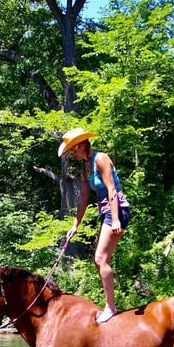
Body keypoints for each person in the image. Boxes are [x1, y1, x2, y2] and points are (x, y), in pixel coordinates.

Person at [60, 128, 131, 323]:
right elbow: (83, 198)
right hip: (106, 212)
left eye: (73, 150)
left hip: (117, 210)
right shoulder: (85, 167)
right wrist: (76, 224)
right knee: (98, 260)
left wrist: (116, 219)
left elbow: (111, 189)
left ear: (82, 145)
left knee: (101, 258)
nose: (72, 155)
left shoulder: (101, 159)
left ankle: (111, 308)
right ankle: (110, 304)